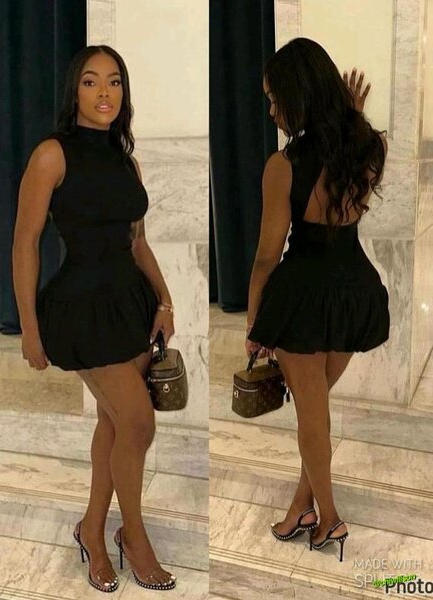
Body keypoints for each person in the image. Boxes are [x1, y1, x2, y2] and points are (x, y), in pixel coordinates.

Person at [12, 45, 177, 592]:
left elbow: (137, 243)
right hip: (81, 310)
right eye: (91, 81)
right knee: (138, 422)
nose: (104, 92)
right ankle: (133, 536)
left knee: (114, 424)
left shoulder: (127, 161)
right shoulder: (52, 155)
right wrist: (29, 328)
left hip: (130, 304)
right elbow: (25, 242)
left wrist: (165, 301)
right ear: (74, 91)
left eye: (114, 81)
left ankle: (91, 528)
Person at [246, 38, 389, 563]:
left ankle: (329, 519)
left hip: (303, 297)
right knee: (316, 412)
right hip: (354, 292)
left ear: (298, 95)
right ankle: (300, 508)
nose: (272, 110)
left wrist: (256, 323)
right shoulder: (369, 147)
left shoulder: (283, 165)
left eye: (274, 98)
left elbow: (266, 257)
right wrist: (354, 117)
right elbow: (349, 149)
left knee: (311, 416)